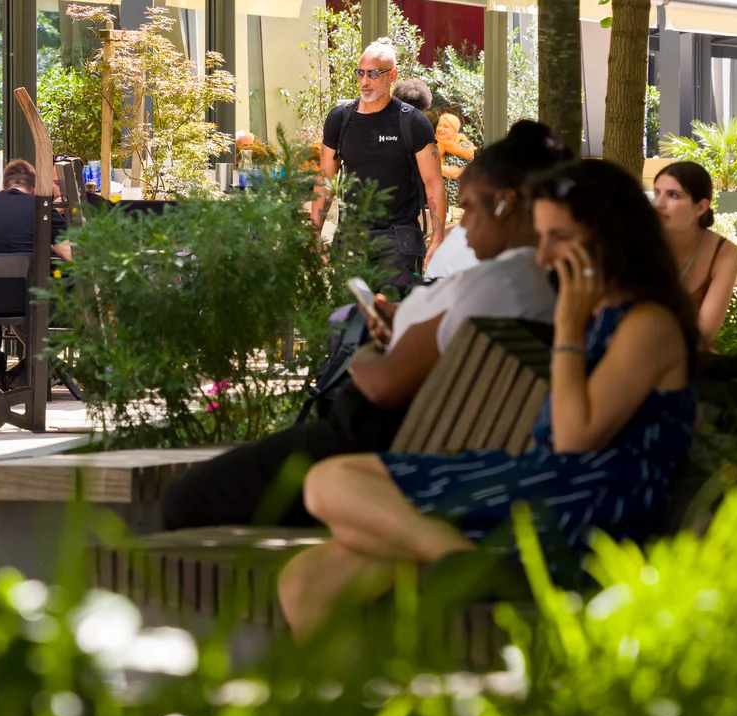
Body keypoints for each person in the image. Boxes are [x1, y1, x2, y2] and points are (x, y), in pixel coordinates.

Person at [278, 159, 697, 640]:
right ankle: (452, 572)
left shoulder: (647, 324)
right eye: (541, 239)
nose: (543, 257)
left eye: (558, 237)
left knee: (330, 482)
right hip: (541, 484)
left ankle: (463, 564)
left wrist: (565, 325)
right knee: (305, 579)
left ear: (607, 235)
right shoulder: (599, 314)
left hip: (583, 508)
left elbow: (574, 438)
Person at [162, 121, 567, 531]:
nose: (465, 225)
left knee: (186, 497)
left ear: (505, 204)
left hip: (371, 443)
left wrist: (371, 349)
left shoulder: (498, 283)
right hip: (420, 442)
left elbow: (383, 384)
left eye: (472, 208)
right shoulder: (534, 283)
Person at [316, 39, 445, 288]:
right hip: (351, 238)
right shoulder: (339, 119)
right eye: (361, 73)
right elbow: (325, 180)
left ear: (392, 75)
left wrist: (437, 237)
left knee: (393, 316)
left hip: (398, 239)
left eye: (374, 73)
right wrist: (314, 232)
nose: (365, 81)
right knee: (349, 316)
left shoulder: (413, 122)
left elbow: (433, 182)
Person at [0, 158, 73, 387]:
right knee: (74, 289)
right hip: (28, 301)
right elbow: (75, 255)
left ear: (5, 185)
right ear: (35, 188)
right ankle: (33, 368)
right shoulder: (41, 208)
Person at [653, 161, 737, 347]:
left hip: (687, 358)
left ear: (700, 208)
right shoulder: (637, 243)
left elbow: (703, 333)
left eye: (673, 195)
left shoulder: (724, 253)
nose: (659, 204)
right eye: (656, 193)